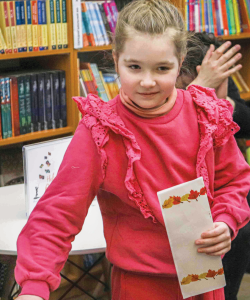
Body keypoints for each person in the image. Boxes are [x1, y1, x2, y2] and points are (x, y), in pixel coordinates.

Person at [15, 1, 250, 300]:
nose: (148, 81)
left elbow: (234, 181)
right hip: (139, 286)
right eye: (134, 67)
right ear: (116, 60)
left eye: (162, 68)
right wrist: (34, 287)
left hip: (205, 282)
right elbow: (57, 213)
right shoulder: (99, 131)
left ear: (180, 61)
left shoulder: (207, 115)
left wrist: (225, 220)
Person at [176, 32, 250, 300]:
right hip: (180, 187)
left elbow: (243, 121)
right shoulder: (160, 88)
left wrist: (222, 103)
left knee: (239, 230)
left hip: (220, 178)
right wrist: (200, 89)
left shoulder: (218, 75)